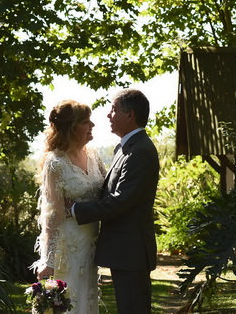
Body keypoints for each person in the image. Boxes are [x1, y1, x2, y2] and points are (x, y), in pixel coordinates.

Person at [72, 88, 160, 314]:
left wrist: (74, 210)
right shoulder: (125, 147)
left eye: (113, 109)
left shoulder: (140, 151)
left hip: (132, 252)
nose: (108, 115)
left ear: (130, 115)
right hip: (124, 251)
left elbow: (120, 201)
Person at [30, 100, 106, 314]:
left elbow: (106, 192)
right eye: (86, 122)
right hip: (69, 246)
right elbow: (51, 215)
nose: (92, 126)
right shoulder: (55, 164)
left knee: (87, 300)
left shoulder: (93, 155)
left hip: (91, 243)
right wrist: (48, 259)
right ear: (72, 128)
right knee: (70, 303)